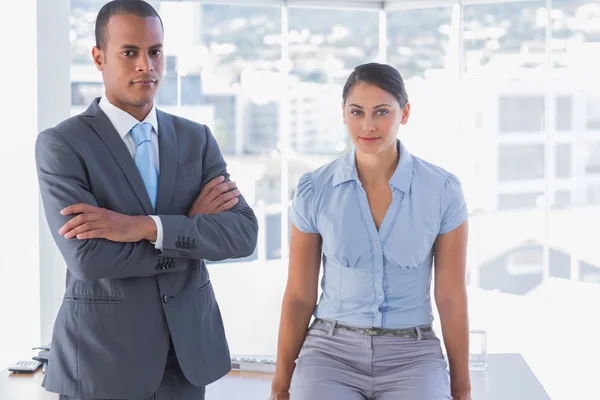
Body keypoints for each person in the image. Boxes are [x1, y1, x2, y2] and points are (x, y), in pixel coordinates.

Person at [35, 1, 258, 399]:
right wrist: (188, 231)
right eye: (129, 52)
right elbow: (89, 259)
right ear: (99, 58)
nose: (146, 65)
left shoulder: (197, 138)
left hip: (185, 362)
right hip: (103, 362)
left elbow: (242, 235)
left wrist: (141, 227)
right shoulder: (63, 145)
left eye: (155, 52)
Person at [271, 62, 471, 400]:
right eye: (357, 112)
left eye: (381, 112)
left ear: (404, 113)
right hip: (330, 352)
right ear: (344, 114)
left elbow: (450, 297)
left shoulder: (442, 191)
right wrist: (280, 384)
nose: (368, 125)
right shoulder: (315, 190)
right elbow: (299, 296)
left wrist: (462, 389)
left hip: (413, 353)